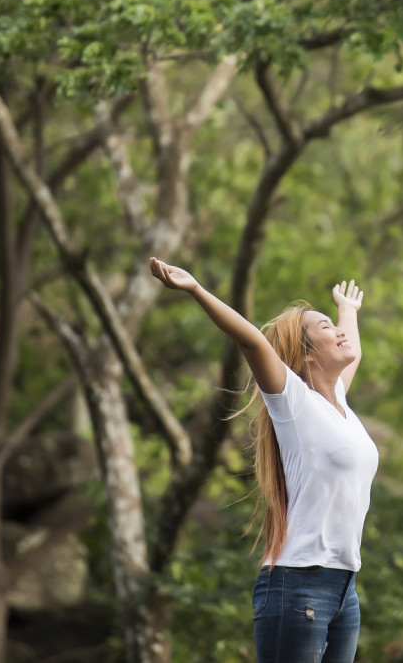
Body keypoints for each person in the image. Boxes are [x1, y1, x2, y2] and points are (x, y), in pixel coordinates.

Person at [148, 257, 379, 663]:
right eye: (327, 328)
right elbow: (254, 341)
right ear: (306, 355)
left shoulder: (339, 402)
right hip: (299, 586)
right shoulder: (293, 402)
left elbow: (354, 352)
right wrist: (196, 289)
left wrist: (347, 311)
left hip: (346, 590)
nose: (341, 334)